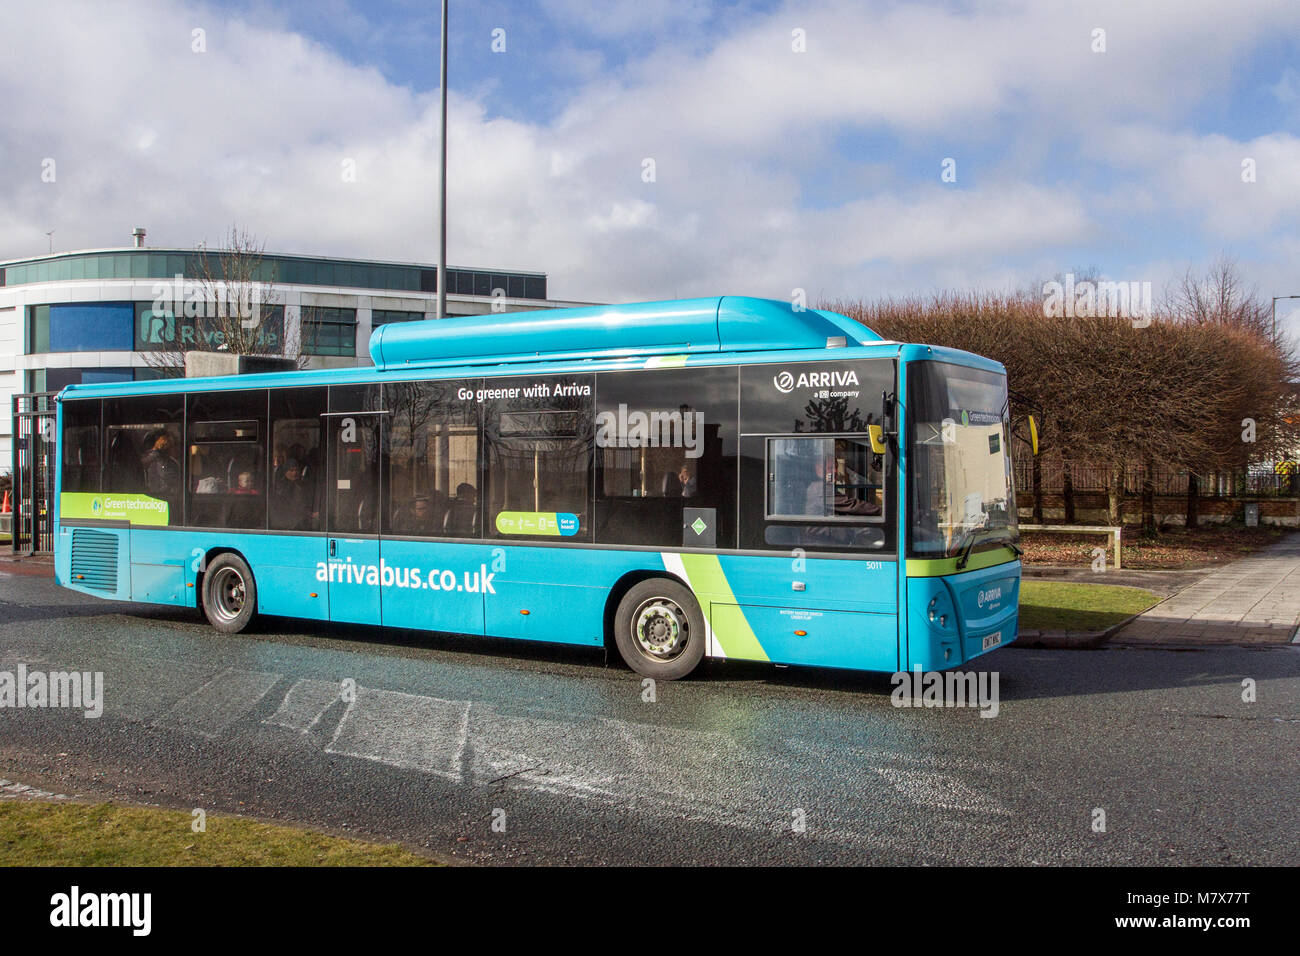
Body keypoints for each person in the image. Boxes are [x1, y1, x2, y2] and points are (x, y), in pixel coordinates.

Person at [272, 458, 316, 529]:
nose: (294, 473)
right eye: (291, 470)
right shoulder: (280, 487)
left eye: (296, 470)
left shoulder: (303, 485)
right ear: (285, 472)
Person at [141, 430, 179, 499]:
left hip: (167, 498)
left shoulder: (173, 464)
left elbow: (176, 485)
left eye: (168, 444)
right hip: (147, 498)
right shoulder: (145, 461)